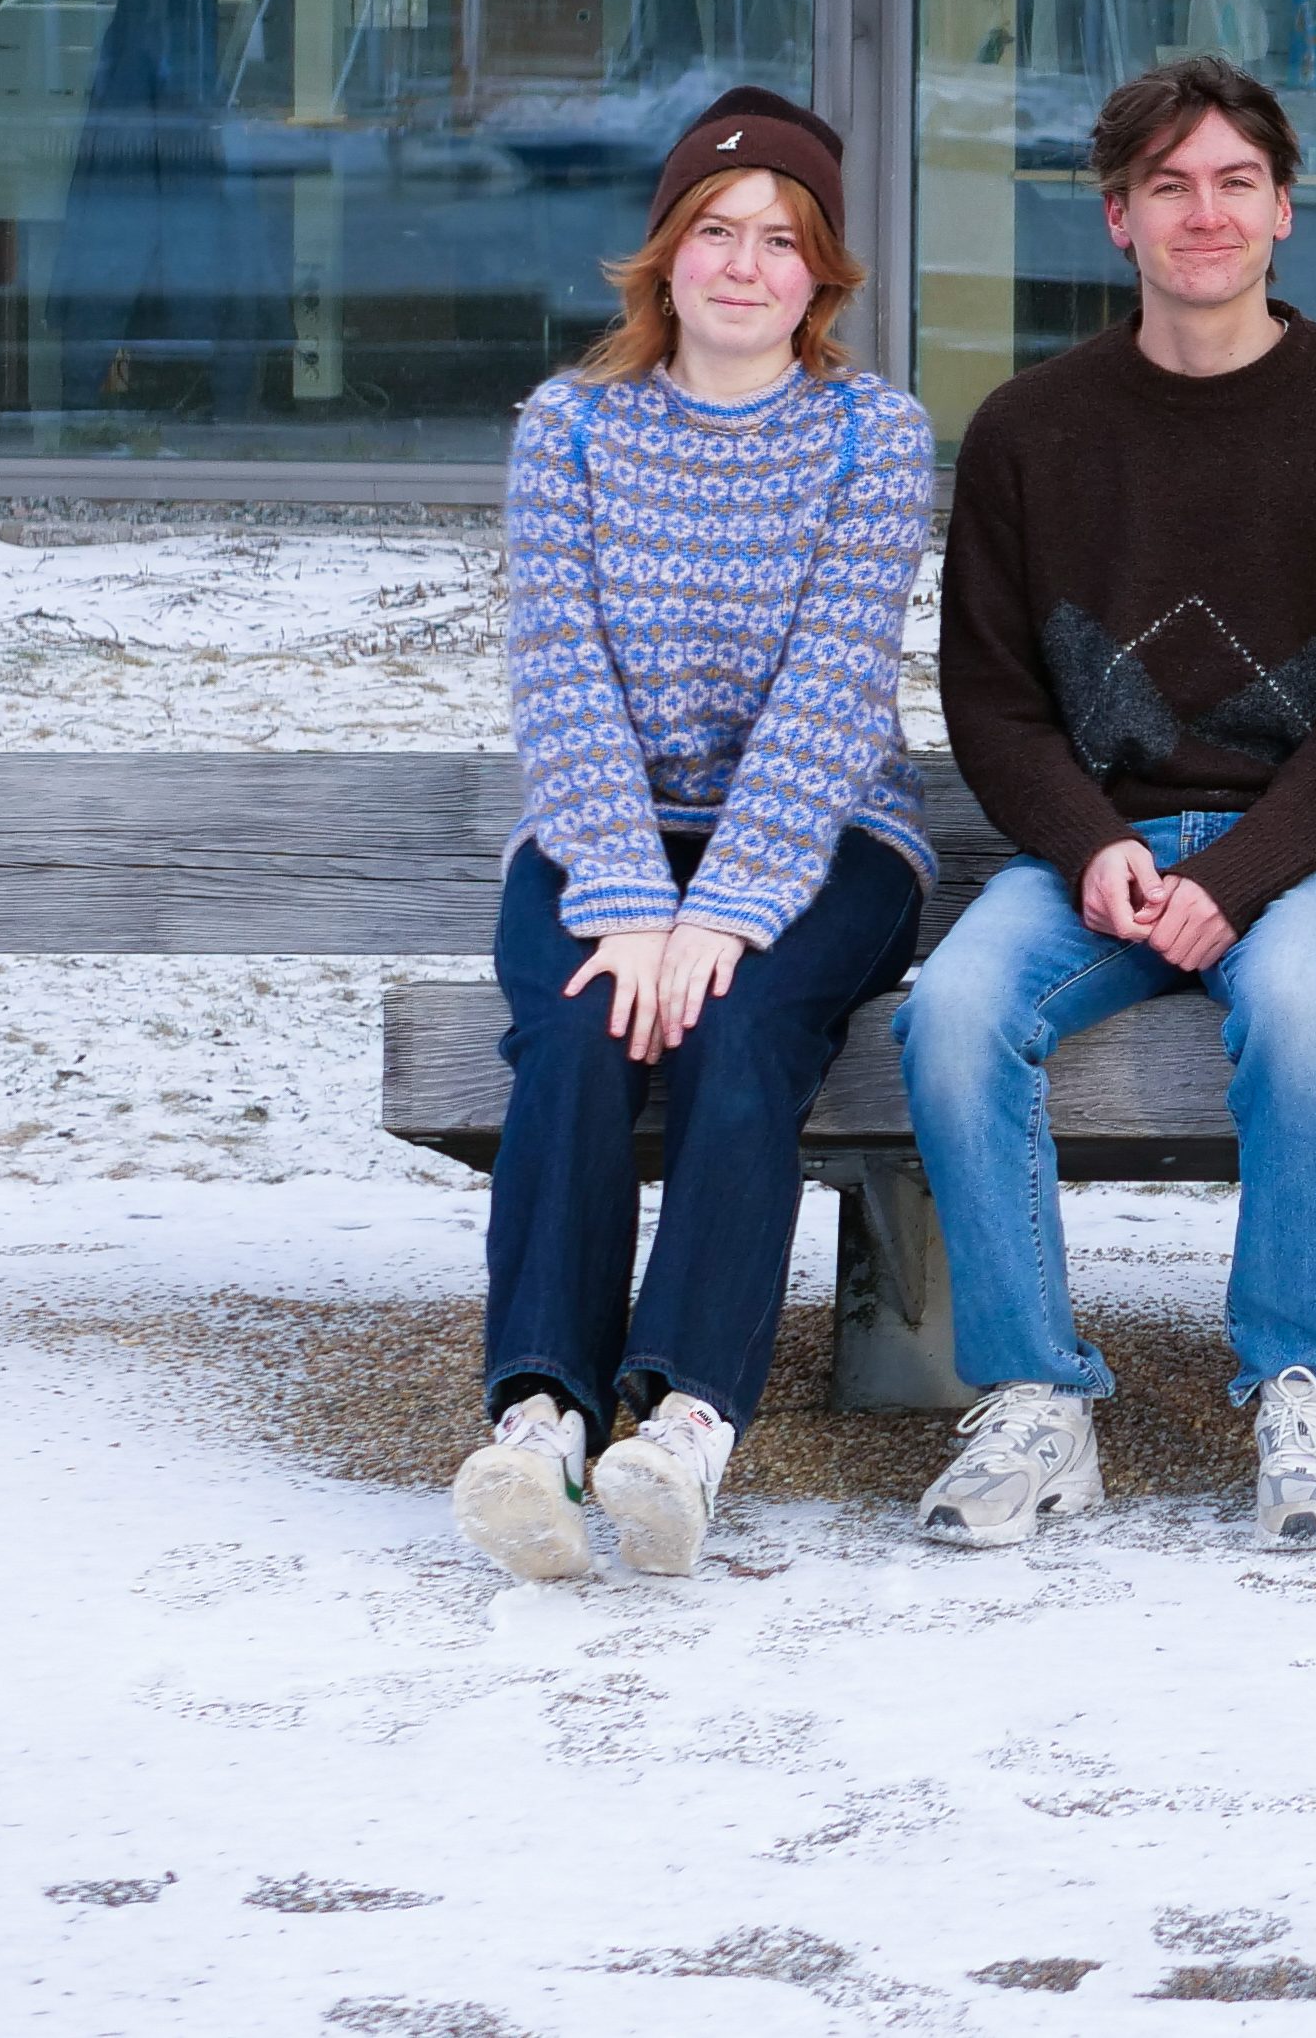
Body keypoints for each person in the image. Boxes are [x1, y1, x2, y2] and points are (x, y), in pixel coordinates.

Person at [899, 57, 1316, 1552]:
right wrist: (1095, 847)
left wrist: (1250, 868)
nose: (1202, 213)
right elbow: (996, 699)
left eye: (1232, 182)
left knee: (1293, 1009)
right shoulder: (1030, 429)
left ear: (1283, 210)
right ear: (1116, 218)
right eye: (1168, 186)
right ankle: (1036, 1399)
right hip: (1105, 858)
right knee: (950, 1012)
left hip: (1307, 859)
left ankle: (1300, 1387)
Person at [455, 89, 933, 1582]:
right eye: (715, 233)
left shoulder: (873, 431)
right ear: (664, 256)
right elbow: (562, 680)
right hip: (610, 834)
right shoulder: (573, 427)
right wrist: (625, 899)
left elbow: (830, 696)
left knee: (738, 1026)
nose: (744, 264)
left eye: (780, 240)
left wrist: (717, 913)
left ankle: (686, 1422)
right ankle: (542, 1409)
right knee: (587, 1027)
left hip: (826, 833)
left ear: (821, 272)